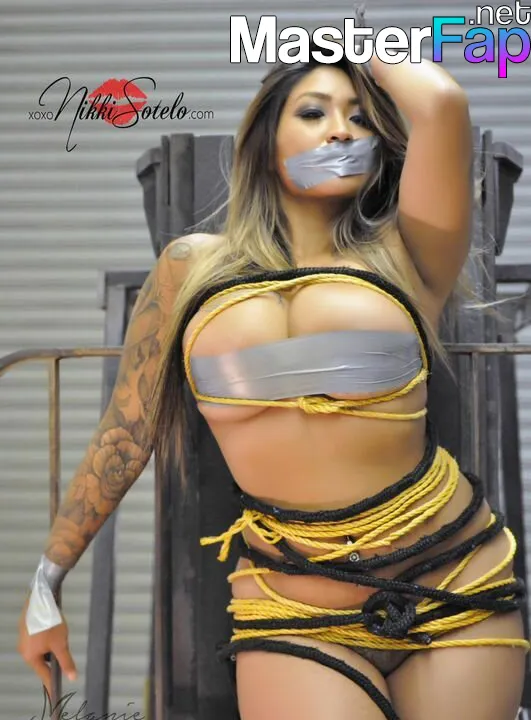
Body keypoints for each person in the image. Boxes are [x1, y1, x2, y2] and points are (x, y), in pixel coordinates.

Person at [18, 42, 529, 720]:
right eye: (313, 113)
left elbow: (440, 102)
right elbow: (126, 431)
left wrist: (346, 42)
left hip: (454, 581)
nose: (339, 132)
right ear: (264, 142)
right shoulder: (190, 268)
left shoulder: (408, 251)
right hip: (292, 605)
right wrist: (47, 579)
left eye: (359, 119)